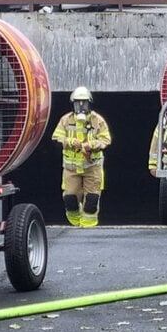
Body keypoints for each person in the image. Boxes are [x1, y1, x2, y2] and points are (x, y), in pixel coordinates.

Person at [52, 86, 111, 227]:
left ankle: (88, 226)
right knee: (70, 198)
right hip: (71, 169)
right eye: (77, 102)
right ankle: (75, 223)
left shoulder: (98, 121)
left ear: (89, 103)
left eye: (84, 102)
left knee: (91, 199)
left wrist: (92, 145)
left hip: (92, 167)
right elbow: (56, 138)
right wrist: (70, 142)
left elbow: (106, 140)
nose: (81, 106)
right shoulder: (65, 120)